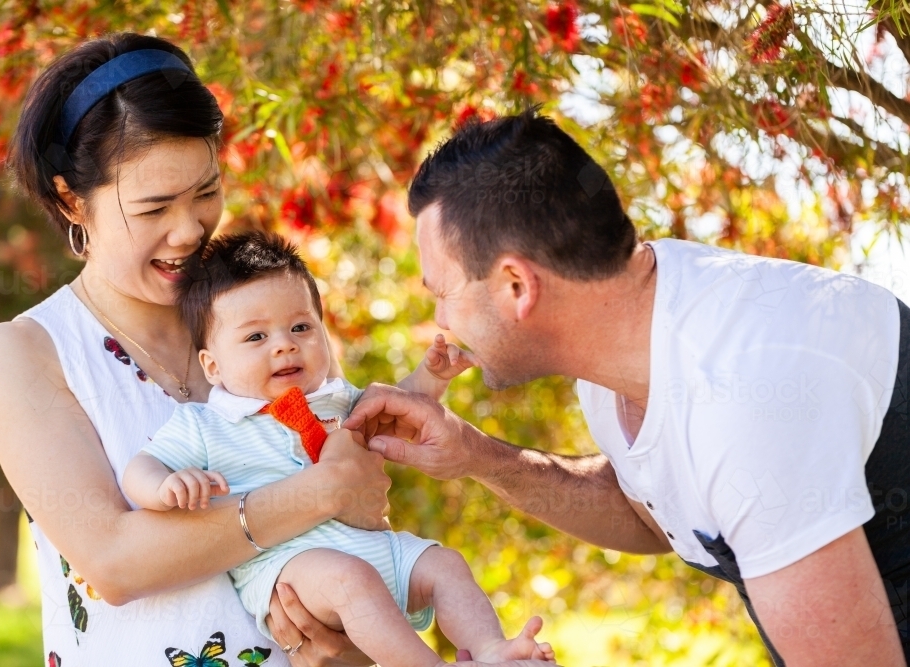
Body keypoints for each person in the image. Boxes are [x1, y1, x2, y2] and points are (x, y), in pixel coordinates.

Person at [344, 109, 910, 667]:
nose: (440, 319)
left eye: (441, 291)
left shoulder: (744, 395)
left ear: (517, 285)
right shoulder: (626, 328)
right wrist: (475, 456)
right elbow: (652, 512)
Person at [0, 33, 394, 667]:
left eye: (205, 192)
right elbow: (115, 561)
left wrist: (350, 648)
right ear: (70, 199)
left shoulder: (260, 320)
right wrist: (321, 494)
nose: (190, 229)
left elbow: (357, 516)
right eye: (153, 208)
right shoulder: (27, 352)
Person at [121, 231, 555, 666]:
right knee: (351, 580)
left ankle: (492, 650)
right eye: (256, 337)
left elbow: (391, 411)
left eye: (301, 327)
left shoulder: (336, 398)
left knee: (446, 565)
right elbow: (140, 468)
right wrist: (166, 485)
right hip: (292, 567)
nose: (284, 344)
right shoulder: (206, 424)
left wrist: (430, 380)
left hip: (376, 549)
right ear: (212, 365)